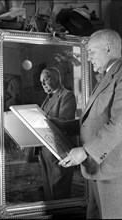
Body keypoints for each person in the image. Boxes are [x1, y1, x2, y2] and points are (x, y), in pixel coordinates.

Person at [49, 29, 122, 219]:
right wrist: (63, 126)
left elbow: (119, 124)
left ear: (108, 48)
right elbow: (94, 120)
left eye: (91, 51)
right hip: (100, 167)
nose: (88, 58)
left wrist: (85, 151)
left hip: (119, 169)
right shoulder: (107, 76)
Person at [38, 66, 77, 201]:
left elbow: (64, 122)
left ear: (55, 79)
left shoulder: (67, 95)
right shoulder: (47, 99)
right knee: (49, 190)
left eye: (45, 80)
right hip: (44, 150)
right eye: (41, 81)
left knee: (59, 191)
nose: (42, 84)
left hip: (58, 151)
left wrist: (41, 119)